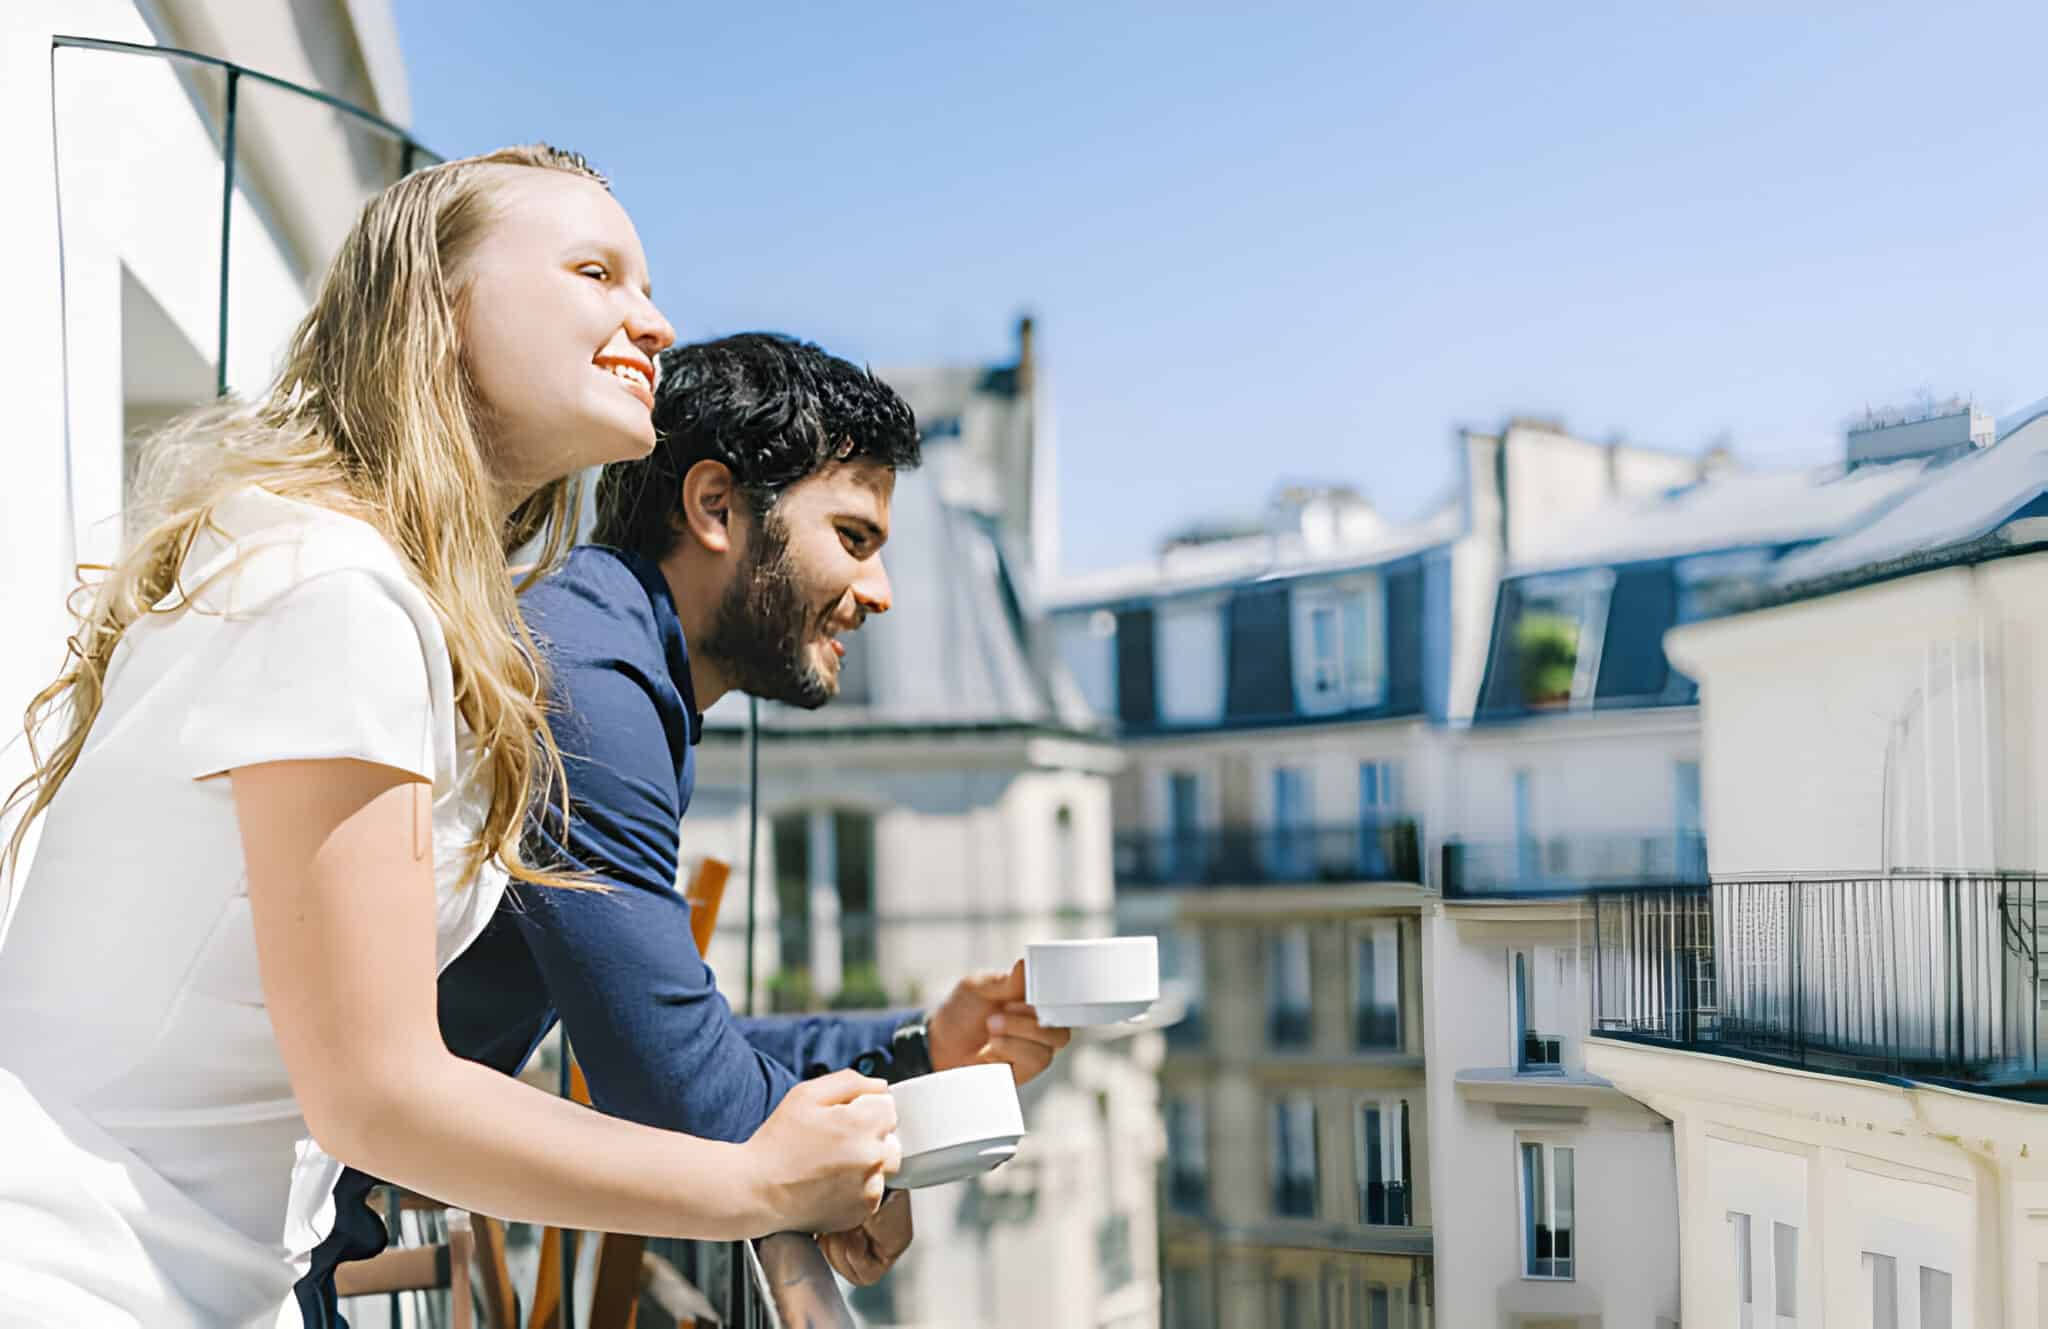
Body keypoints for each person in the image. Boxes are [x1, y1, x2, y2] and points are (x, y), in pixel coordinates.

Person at [0, 150, 900, 1329]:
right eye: (596, 271)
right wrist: (750, 1186)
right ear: (439, 304)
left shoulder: (369, 594)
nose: (655, 320)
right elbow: (378, 1095)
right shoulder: (327, 589)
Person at [421, 333, 1072, 1289]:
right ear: (716, 507)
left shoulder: (612, 653)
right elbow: (684, 1090)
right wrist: (870, 1168)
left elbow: (670, 1045)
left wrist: (918, 1050)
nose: (881, 593)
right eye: (853, 538)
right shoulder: (594, 686)